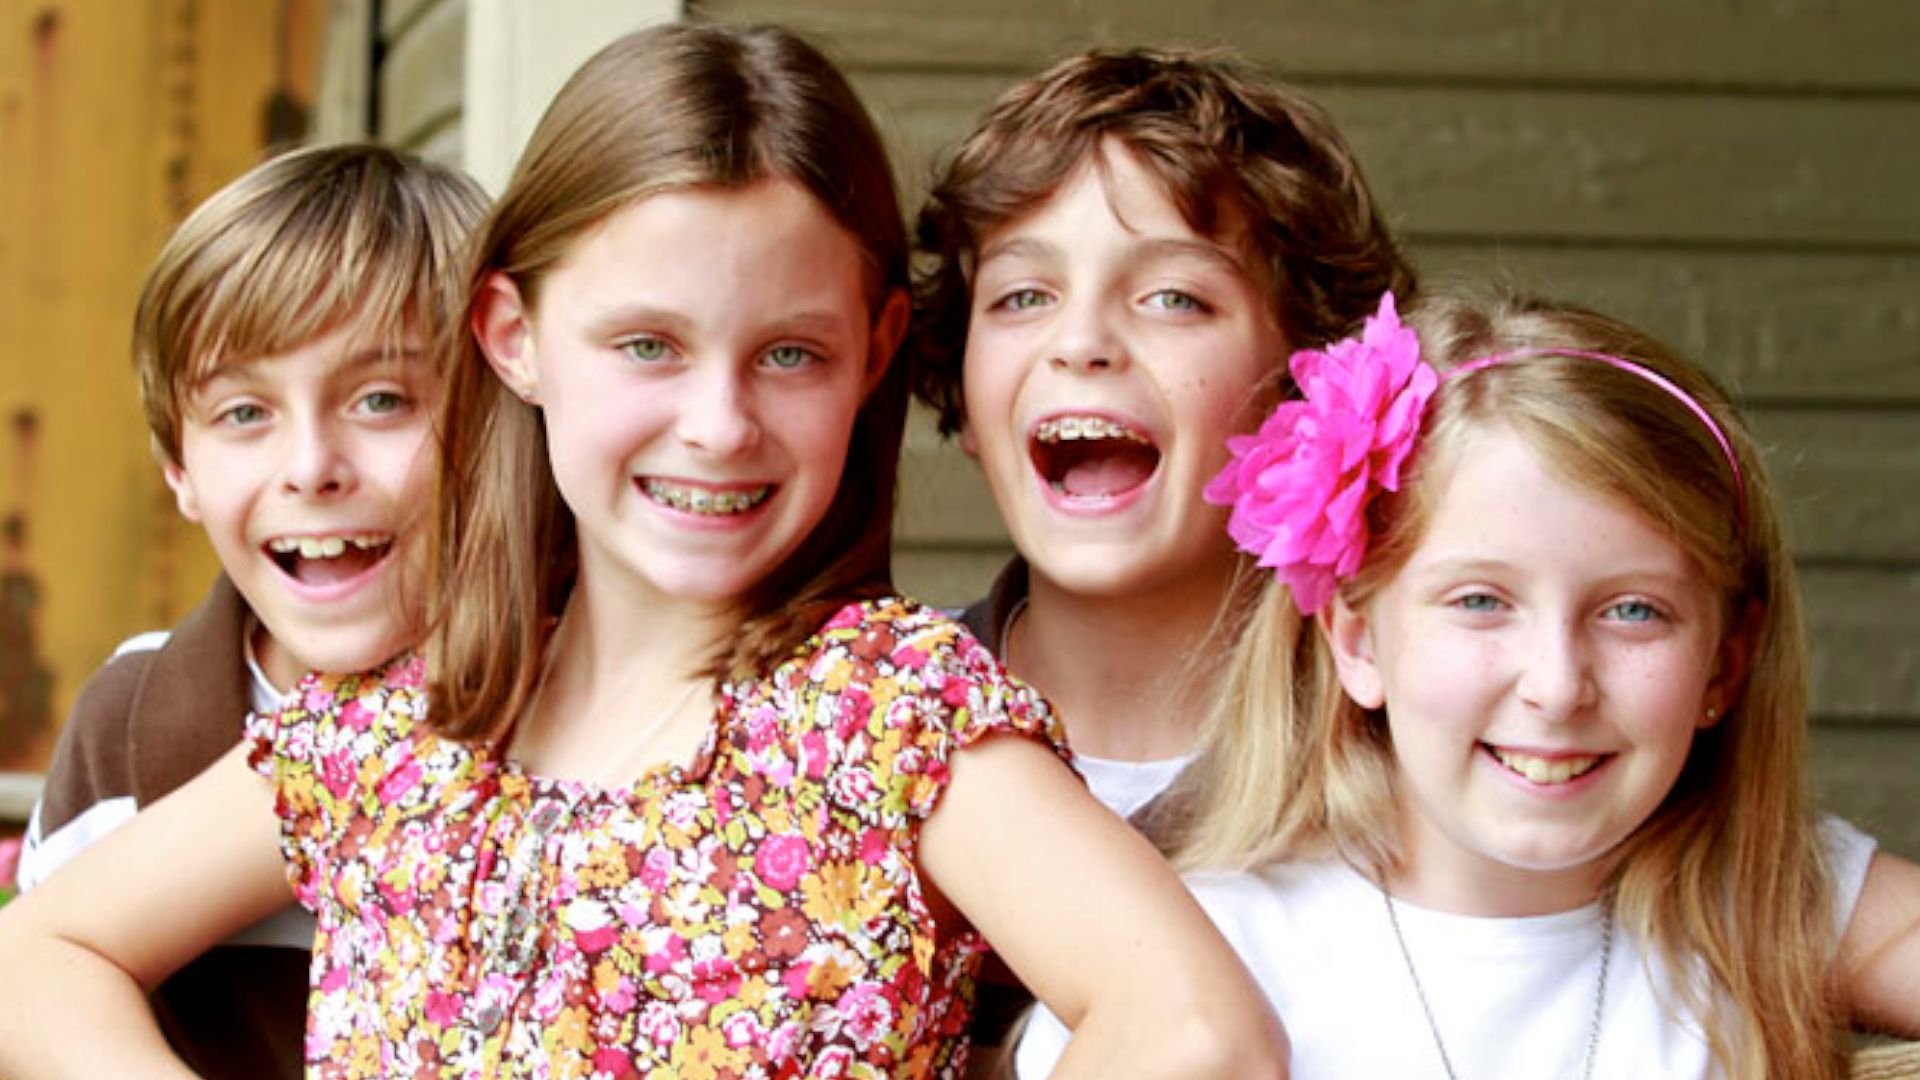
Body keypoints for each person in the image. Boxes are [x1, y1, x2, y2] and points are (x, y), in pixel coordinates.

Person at [0, 24, 1286, 1079]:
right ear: (513, 335)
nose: (719, 424)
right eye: (648, 346)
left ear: (878, 350)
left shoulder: (887, 716)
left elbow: (1196, 1031)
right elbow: (38, 959)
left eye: (789, 353)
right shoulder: (400, 727)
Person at [1017, 288, 1920, 1077]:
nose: (1558, 686)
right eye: (1482, 601)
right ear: (1358, 639)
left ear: (1725, 661)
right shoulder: (1204, 960)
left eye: (1634, 611)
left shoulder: (1767, 900)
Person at [910, 45, 1413, 1048]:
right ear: (964, 396)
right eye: (1022, 297)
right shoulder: (863, 734)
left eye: (1173, 297)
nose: (1082, 341)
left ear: (1308, 386)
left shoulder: (1412, 737)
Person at [12, 143, 485, 1078]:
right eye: (244, 413)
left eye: (382, 399)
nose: (311, 466)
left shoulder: (583, 699)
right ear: (178, 469)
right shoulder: (132, 725)